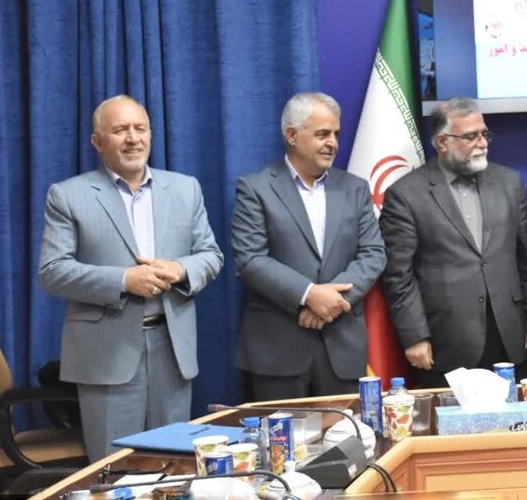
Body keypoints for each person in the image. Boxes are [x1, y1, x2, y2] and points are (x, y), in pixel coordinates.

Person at [38, 95, 223, 460]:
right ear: (98, 142)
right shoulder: (68, 195)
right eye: (120, 130)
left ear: (151, 135)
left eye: (140, 128)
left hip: (172, 350)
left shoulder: (185, 188)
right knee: (114, 469)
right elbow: (52, 271)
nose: (133, 138)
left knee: (172, 465)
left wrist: (181, 270)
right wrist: (124, 280)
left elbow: (211, 255)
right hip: (106, 355)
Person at [379, 97, 527, 387]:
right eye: (471, 136)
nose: (482, 143)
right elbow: (398, 276)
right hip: (446, 342)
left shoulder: (509, 183)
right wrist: (415, 336)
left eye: (484, 134)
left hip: (509, 335)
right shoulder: (406, 195)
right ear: (442, 142)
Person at [232, 93, 386, 399]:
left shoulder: (355, 188)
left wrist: (330, 303)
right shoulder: (256, 188)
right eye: (322, 134)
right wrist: (309, 294)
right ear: (292, 135)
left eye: (336, 134)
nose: (333, 143)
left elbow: (374, 254)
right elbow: (250, 260)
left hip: (342, 347)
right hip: (278, 351)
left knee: (345, 430)